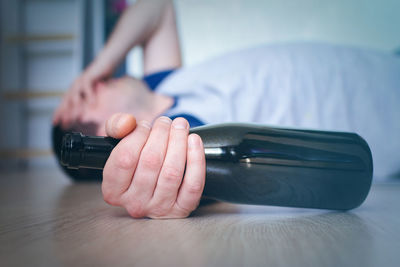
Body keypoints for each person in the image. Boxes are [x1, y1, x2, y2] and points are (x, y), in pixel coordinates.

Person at [53, 0, 400, 219]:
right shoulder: (183, 135)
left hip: (385, 64)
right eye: (86, 96)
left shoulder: (163, 83)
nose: (97, 83)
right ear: (102, 133)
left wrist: (98, 64)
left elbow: (156, 6)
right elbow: (198, 177)